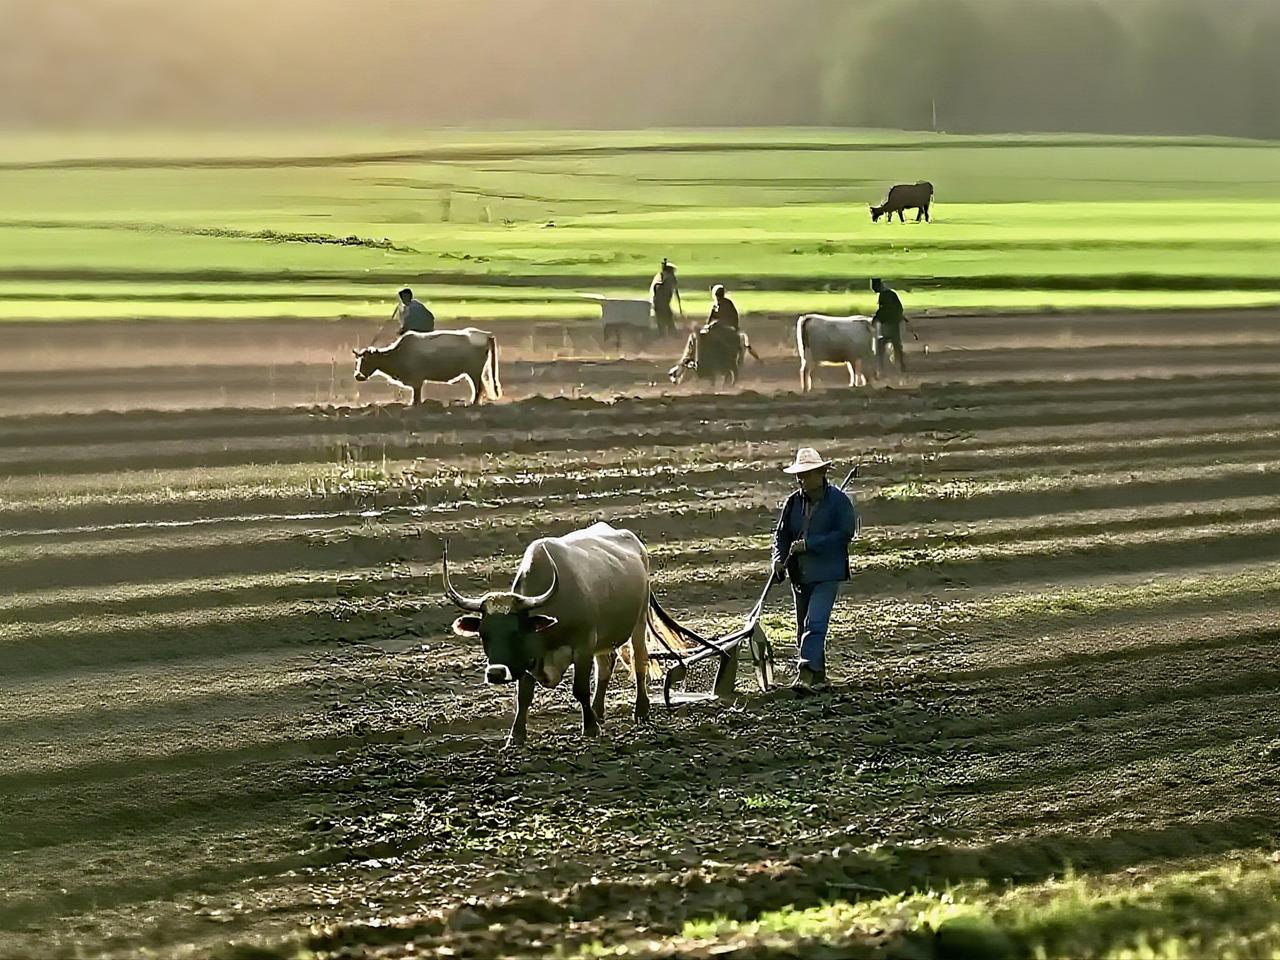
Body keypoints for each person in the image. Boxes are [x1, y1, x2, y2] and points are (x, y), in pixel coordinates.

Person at [770, 447, 858, 693]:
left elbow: (845, 534)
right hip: (801, 575)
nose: (802, 480)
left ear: (821, 473)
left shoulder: (839, 502)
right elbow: (781, 535)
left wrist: (811, 545)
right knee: (803, 627)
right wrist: (778, 560)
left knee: (815, 623)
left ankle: (806, 674)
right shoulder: (793, 503)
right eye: (800, 476)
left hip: (827, 573)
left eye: (807, 475)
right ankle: (818, 676)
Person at [870, 278, 911, 378]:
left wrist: (875, 319)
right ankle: (900, 367)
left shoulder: (885, 295)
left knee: (881, 346)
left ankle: (881, 368)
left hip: (889, 324)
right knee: (896, 345)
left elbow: (883, 310)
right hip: (893, 323)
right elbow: (898, 308)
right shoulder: (890, 294)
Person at [650, 259, 681, 337]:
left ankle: (662, 333)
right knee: (668, 316)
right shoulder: (669, 278)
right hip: (662, 301)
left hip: (658, 301)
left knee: (661, 317)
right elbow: (675, 291)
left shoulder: (660, 276)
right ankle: (671, 333)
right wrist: (679, 305)